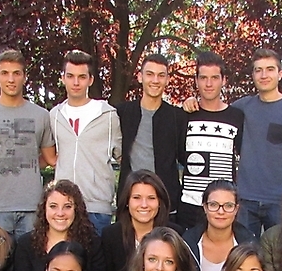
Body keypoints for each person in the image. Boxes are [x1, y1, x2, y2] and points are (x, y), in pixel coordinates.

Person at [184, 48, 282, 237]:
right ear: (253, 74)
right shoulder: (241, 109)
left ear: (280, 74)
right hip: (245, 200)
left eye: (270, 69)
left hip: (281, 200)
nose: (264, 75)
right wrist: (191, 101)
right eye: (258, 70)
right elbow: (215, 111)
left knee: (281, 252)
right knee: (244, 252)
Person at [0, 49, 56, 237]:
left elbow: (50, 158)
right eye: (5, 73)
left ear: (24, 77)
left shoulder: (41, 115)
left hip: (32, 205)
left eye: (16, 73)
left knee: (30, 255)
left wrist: (24, 161)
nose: (11, 79)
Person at [48, 50, 122, 234]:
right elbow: (51, 154)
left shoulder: (108, 115)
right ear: (63, 78)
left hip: (97, 208)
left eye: (82, 77)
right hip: (63, 207)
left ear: (91, 80)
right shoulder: (54, 115)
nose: (76, 82)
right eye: (70, 76)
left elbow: (121, 156)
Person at [177, 51, 244, 230]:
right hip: (190, 205)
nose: (208, 84)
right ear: (196, 80)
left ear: (223, 80)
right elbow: (179, 155)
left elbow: (243, 155)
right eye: (203, 78)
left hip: (223, 207)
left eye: (214, 78)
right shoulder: (185, 115)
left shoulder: (236, 116)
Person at [116, 53, 188, 216]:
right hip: (130, 202)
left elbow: (186, 158)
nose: (155, 80)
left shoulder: (177, 117)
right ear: (140, 77)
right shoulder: (122, 113)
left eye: (161, 75)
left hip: (166, 203)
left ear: (167, 79)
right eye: (150, 74)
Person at [14, 179, 105, 271]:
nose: (60, 213)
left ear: (77, 209)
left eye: (67, 207)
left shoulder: (92, 243)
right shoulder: (26, 244)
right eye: (53, 206)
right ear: (44, 209)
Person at [101, 170, 180, 271]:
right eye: (137, 197)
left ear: (159, 202)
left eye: (151, 198)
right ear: (127, 201)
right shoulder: (111, 235)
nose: (144, 205)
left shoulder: (175, 234)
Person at [182, 180, 255, 271]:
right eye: (214, 205)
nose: (221, 211)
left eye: (228, 206)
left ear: (236, 209)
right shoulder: (187, 243)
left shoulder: (248, 243)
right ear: (205, 207)